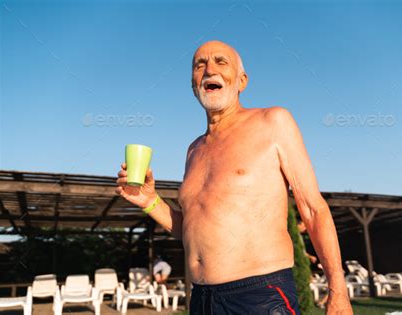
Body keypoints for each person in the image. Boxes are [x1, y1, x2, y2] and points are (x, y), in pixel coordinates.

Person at [116, 40, 352, 314]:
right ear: (193, 83)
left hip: (260, 295)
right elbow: (193, 230)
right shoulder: (194, 150)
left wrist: (338, 291)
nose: (208, 69)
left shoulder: (273, 121)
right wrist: (149, 201)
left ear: (242, 81)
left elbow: (313, 210)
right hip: (202, 299)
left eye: (220, 61)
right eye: (199, 64)